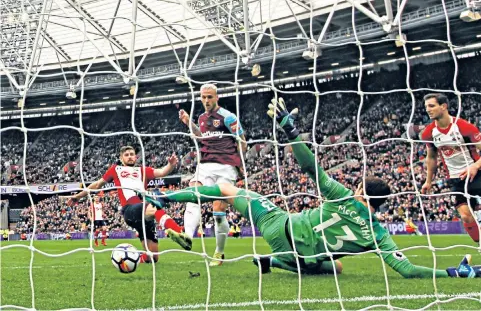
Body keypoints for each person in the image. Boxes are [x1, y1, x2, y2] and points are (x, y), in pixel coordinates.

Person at [151, 98, 480, 278]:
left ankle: (166, 196)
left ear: (362, 192)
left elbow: (311, 168)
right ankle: (278, 261)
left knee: (227, 191)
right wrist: (454, 272)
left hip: (280, 226)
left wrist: (292, 134)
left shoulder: (343, 196)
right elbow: (407, 270)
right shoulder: (379, 235)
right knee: (335, 266)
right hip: (302, 256)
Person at [60, 146, 192, 263]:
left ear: (136, 156)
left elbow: (162, 172)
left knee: (153, 258)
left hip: (145, 213)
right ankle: (179, 233)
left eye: (131, 154)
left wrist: (171, 164)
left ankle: (135, 258)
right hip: (131, 210)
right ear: (121, 158)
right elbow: (97, 184)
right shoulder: (115, 169)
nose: (129, 157)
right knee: (154, 205)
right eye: (126, 155)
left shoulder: (142, 170)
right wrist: (78, 196)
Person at [178, 83, 247, 266]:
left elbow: (243, 141)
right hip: (206, 163)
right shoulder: (201, 117)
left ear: (217, 97)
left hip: (226, 166)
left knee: (218, 210)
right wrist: (188, 122)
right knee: (193, 195)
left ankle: (219, 252)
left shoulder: (228, 117)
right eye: (203, 97)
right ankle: (187, 236)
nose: (206, 100)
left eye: (210, 97)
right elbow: (201, 137)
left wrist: (240, 164)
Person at [421, 93, 481, 243]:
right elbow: (432, 157)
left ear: (444, 106)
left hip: (478, 173)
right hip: (456, 178)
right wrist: (428, 181)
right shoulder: (428, 133)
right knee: (466, 216)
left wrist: (475, 165)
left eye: (431, 106)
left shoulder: (464, 127)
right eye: (426, 106)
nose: (428, 109)